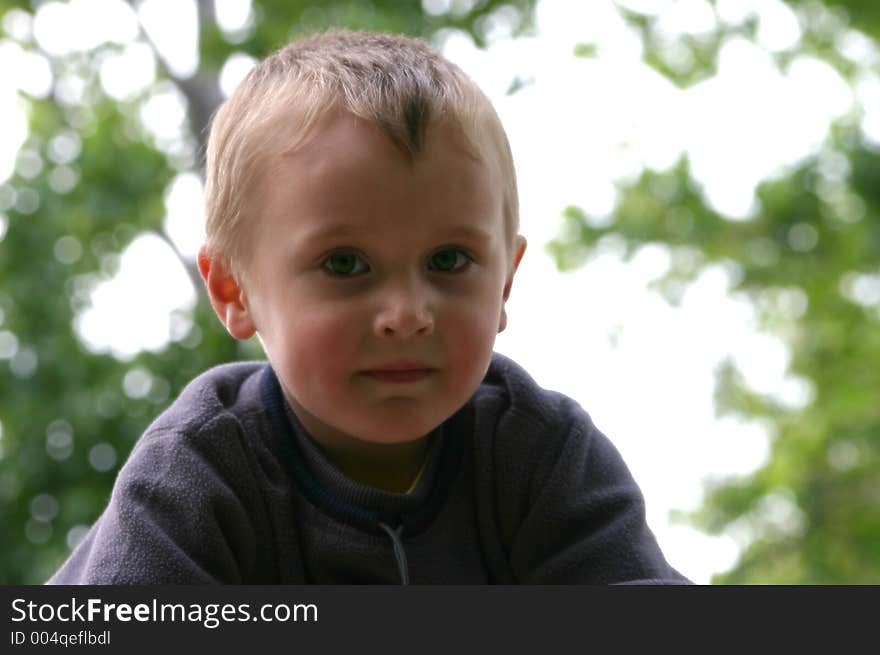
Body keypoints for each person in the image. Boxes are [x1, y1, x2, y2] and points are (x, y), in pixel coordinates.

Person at [48, 29, 690, 584]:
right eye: (345, 265)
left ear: (504, 283)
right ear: (234, 292)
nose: (407, 313)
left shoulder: (540, 454)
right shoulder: (198, 472)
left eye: (449, 261)